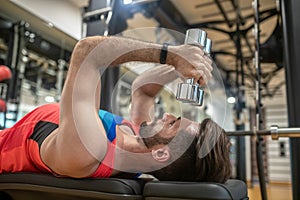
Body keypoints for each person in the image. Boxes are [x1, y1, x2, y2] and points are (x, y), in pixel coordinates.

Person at [0, 36, 231, 183]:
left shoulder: (89, 151)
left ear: (161, 154)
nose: (168, 115)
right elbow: (144, 90)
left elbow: (87, 52)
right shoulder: (139, 142)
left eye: (172, 124)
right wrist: (185, 66)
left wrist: (170, 54)